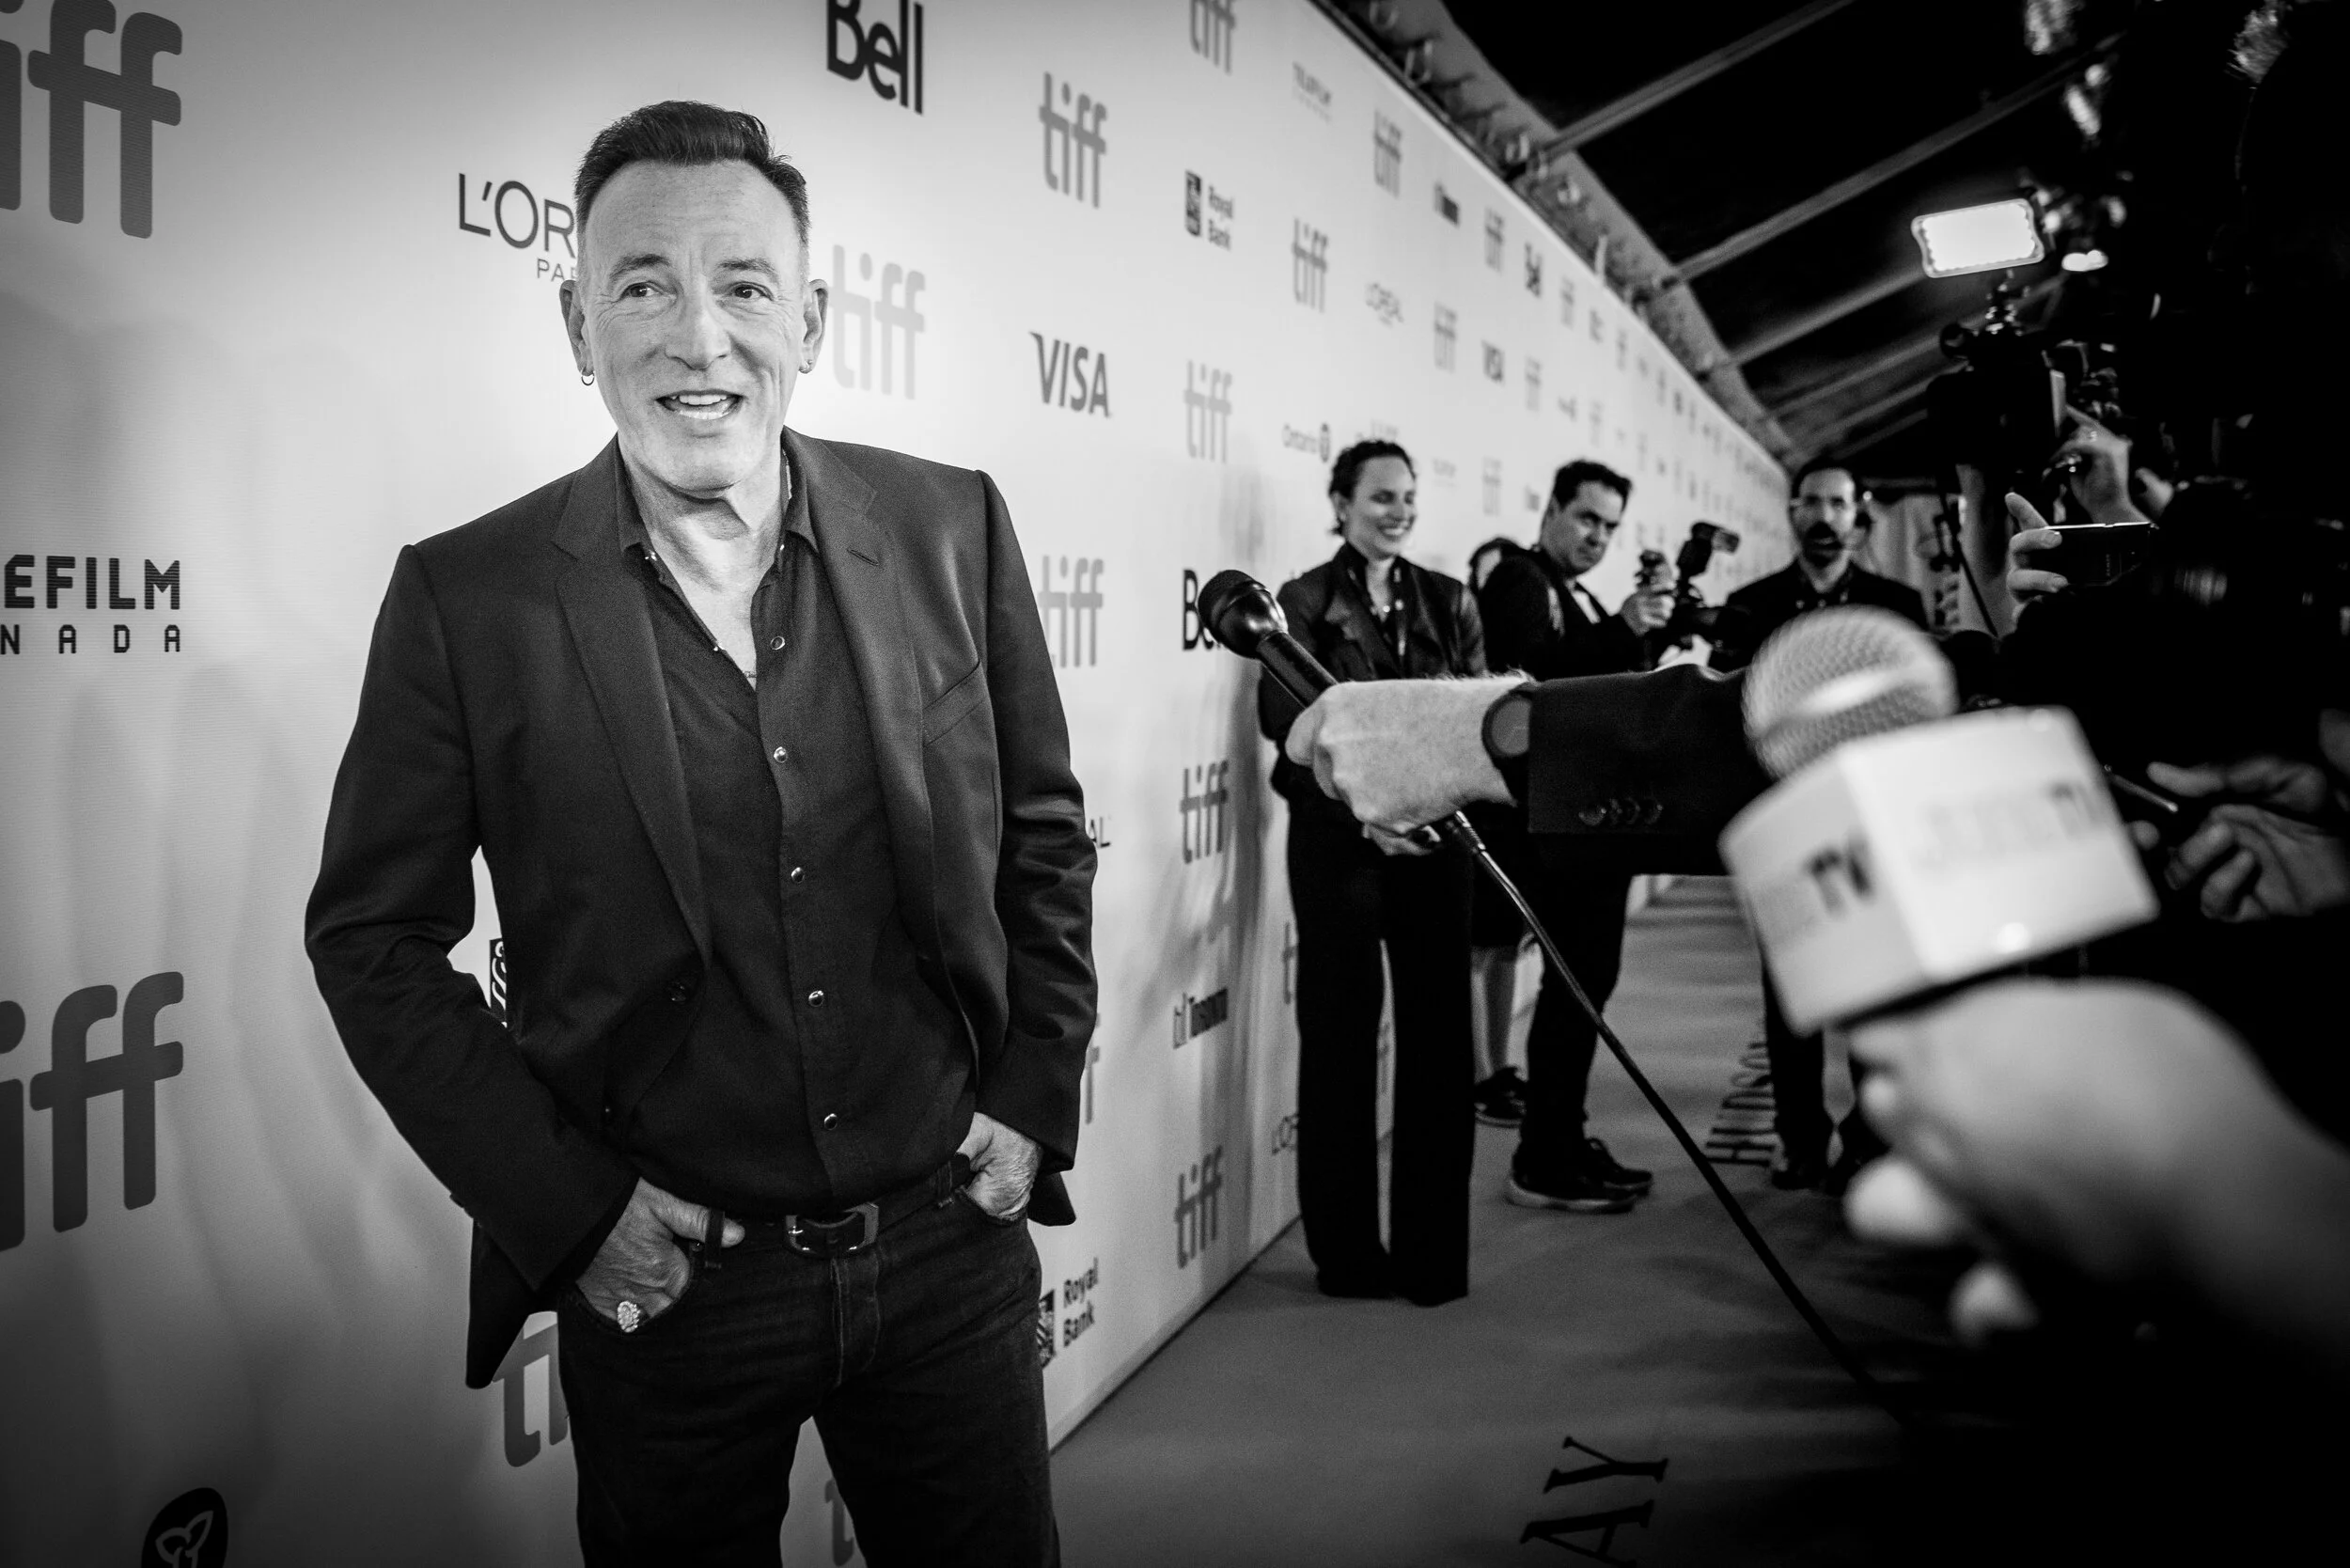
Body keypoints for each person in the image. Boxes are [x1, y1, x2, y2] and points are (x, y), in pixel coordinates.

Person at [305, 102, 1095, 1566]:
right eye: (643, 287)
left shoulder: (952, 528)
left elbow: (1043, 831)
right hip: (671, 1290)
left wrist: (1038, 1085)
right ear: (577, 324)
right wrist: (568, 1211)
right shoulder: (465, 601)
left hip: (951, 1249)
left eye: (742, 286)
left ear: (812, 317)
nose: (699, 337)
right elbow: (372, 941)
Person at [1258, 440, 1486, 1305]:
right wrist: (1368, 817)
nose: (1399, 511)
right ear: (1342, 504)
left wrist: (1421, 811)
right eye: (1382, 496)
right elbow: (1288, 735)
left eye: (1408, 497)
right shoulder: (1302, 601)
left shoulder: (1450, 599)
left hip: (1436, 844)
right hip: (1338, 846)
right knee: (1340, 1045)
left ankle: (1433, 1260)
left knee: (1441, 1046)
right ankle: (1347, 1258)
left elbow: (1477, 721)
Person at [1710, 459, 1928, 1193]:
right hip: (1783, 818)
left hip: (1872, 818)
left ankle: (1870, 1136)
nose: (1825, 517)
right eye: (1812, 503)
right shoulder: (1749, 608)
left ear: (1857, 513)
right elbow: (1725, 721)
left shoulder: (1897, 605)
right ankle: (1798, 1136)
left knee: (1873, 982)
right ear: (1793, 512)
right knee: (1790, 991)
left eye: (1838, 504)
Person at [1475, 462, 1673, 1213]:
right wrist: (1622, 630)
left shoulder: (1577, 594)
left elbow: (1614, 689)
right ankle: (1545, 1156)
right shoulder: (1519, 579)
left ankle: (1558, 1140)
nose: (1598, 537)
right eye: (1587, 518)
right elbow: (1526, 679)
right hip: (1546, 826)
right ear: (1551, 509)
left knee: (1583, 987)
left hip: (1583, 822)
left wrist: (1641, 635)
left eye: (1610, 527)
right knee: (1576, 986)